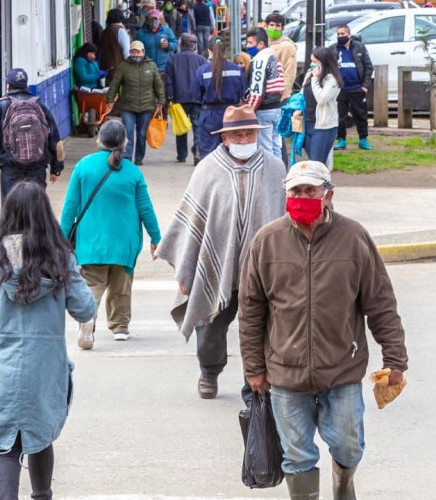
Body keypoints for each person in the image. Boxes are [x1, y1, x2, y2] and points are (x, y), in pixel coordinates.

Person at [239, 160, 409, 499]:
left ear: (327, 194)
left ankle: (344, 488)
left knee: (349, 447)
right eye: (295, 191)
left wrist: (396, 359)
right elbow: (250, 310)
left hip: (341, 369)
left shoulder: (354, 238)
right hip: (285, 373)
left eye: (310, 190)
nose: (302, 196)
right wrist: (253, 368)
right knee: (297, 456)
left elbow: (380, 302)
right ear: (285, 194)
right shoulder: (266, 241)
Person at [0, 179, 95, 500]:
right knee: (40, 436)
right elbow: (85, 310)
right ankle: (42, 495)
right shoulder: (60, 258)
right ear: (46, 215)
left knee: (6, 445)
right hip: (43, 371)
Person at [156, 105, 286, 400]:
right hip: (217, 266)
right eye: (237, 135)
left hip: (264, 269)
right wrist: (186, 273)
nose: (244, 140)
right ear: (225, 138)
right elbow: (191, 225)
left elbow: (283, 219)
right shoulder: (207, 169)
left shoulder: (276, 168)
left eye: (249, 134)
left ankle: (254, 380)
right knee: (210, 327)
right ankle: (209, 371)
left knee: (264, 328)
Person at [60, 121, 162, 349]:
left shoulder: (83, 166)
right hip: (125, 243)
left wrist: (60, 238)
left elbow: (70, 208)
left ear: (99, 140)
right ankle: (120, 328)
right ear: (125, 142)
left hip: (91, 242)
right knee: (121, 286)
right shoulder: (133, 171)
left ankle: (88, 319)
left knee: (93, 285)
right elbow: (146, 208)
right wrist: (156, 238)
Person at [0, 68, 65, 200]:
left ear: (8, 86)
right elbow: (57, 144)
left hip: (10, 168)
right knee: (37, 210)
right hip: (37, 168)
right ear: (27, 86)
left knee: (11, 210)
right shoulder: (40, 105)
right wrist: (56, 169)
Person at [106, 41, 165, 166]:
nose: (136, 54)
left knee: (142, 133)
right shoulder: (123, 66)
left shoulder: (152, 66)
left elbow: (158, 85)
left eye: (138, 52)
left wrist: (161, 101)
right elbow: (114, 84)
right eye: (133, 51)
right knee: (128, 132)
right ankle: (127, 157)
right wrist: (110, 99)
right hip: (127, 106)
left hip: (146, 106)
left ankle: (139, 157)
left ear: (143, 52)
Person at [190, 37, 246, 158]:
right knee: (233, 151)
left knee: (209, 154)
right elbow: (243, 92)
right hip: (232, 114)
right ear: (226, 51)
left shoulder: (202, 71)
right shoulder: (237, 70)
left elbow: (194, 94)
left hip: (209, 116)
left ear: (209, 51)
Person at [244, 28, 286, 161]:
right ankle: (280, 176)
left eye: (250, 43)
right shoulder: (273, 58)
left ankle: (269, 178)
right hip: (277, 107)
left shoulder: (260, 60)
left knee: (265, 148)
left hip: (264, 109)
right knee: (275, 146)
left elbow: (257, 91)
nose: (247, 46)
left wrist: (248, 111)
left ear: (260, 44)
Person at [331, 24, 374, 151]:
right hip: (340, 89)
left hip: (357, 88)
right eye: (338, 34)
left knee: (361, 115)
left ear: (349, 35)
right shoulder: (333, 49)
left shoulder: (359, 47)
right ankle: (341, 140)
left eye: (342, 34)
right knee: (340, 116)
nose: (340, 36)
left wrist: (365, 86)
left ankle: (363, 139)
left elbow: (368, 67)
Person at [165, 34, 206, 165]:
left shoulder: (173, 59)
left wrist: (169, 97)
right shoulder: (202, 60)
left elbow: (169, 81)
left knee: (181, 126)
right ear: (194, 46)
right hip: (197, 98)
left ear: (181, 45)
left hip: (179, 99)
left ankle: (182, 154)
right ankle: (198, 151)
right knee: (197, 126)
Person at [301, 47, 342, 165]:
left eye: (315, 62)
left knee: (316, 163)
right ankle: (322, 182)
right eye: (311, 61)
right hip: (308, 122)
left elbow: (322, 98)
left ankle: (322, 183)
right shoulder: (310, 73)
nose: (312, 65)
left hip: (324, 126)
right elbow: (302, 94)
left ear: (323, 62)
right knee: (313, 161)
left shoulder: (332, 79)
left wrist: (315, 79)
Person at [264, 13, 297, 102]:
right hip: (263, 95)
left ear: (282, 28)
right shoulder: (263, 42)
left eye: (278, 26)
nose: (274, 28)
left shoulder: (287, 46)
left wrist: (283, 96)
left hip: (278, 97)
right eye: (271, 25)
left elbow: (289, 74)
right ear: (266, 26)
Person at [99, 9, 130, 81]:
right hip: (119, 67)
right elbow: (126, 51)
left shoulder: (105, 31)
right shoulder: (121, 31)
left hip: (107, 67)